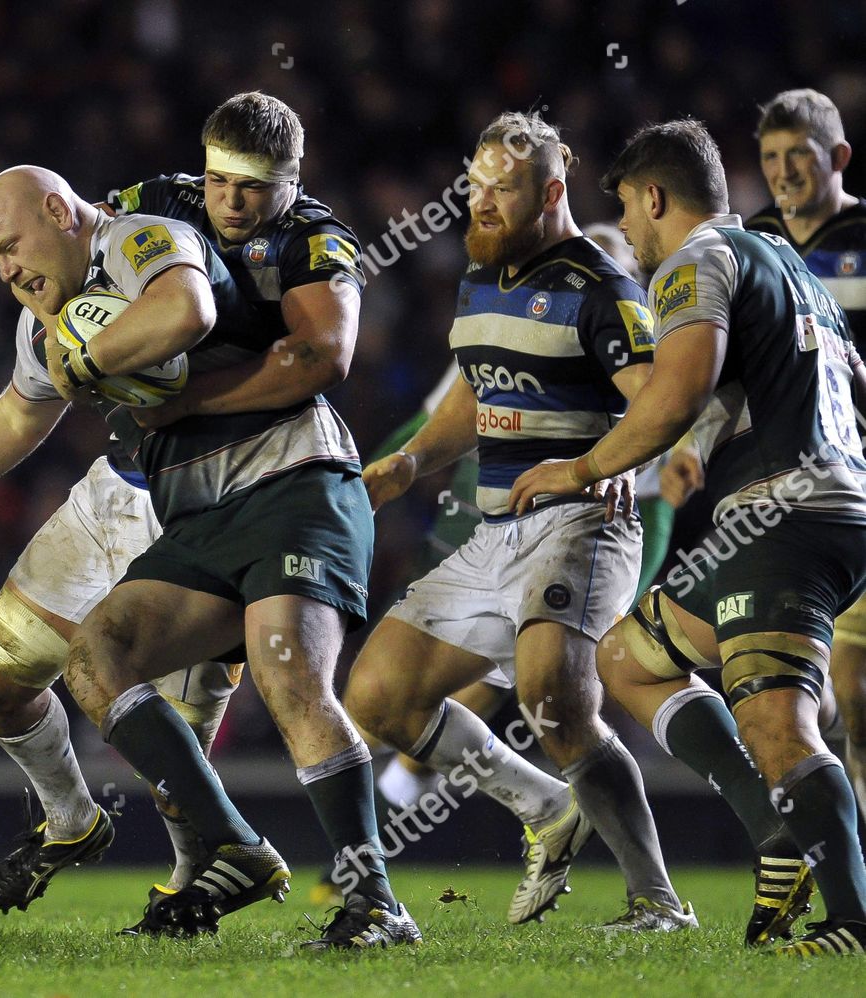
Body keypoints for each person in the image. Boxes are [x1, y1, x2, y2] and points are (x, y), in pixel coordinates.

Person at [0, 93, 367, 919]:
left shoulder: (252, 240)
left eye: (10, 248)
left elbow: (280, 341)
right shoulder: (136, 219)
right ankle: (71, 820)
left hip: (227, 488)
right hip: (119, 489)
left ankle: (206, 880)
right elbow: (23, 408)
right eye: (218, 181)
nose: (230, 202)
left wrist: (110, 370)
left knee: (178, 748)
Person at [0, 162, 415, 949]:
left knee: (287, 671)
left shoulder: (142, 242)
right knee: (96, 657)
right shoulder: (56, 311)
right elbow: (23, 412)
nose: (5, 270)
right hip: (197, 508)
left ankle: (373, 900)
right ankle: (234, 848)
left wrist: (93, 362)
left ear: (59, 213)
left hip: (293, 478)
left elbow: (187, 309)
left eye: (10, 246)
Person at [512, 117, 866, 955]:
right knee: (628, 658)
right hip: (825, 509)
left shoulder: (696, 260)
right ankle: (778, 835)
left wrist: (582, 467)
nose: (629, 232)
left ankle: (854, 920)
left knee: (779, 723)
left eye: (631, 210)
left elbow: (678, 387)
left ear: (657, 196)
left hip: (784, 517)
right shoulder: (791, 266)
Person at [345, 112, 697, 932]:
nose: (482, 204)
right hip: (496, 529)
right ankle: (544, 805)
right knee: (377, 694)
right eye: (474, 188)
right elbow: (475, 395)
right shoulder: (482, 279)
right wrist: (405, 464)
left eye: (501, 189)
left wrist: (608, 466)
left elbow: (659, 400)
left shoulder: (601, 286)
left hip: (581, 522)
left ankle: (657, 901)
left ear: (550, 190)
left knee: (555, 696)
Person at [665, 89, 866, 823]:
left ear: (837, 157)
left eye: (798, 157)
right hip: (800, 496)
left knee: (847, 688)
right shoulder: (757, 243)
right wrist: (690, 444)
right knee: (838, 690)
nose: (783, 172)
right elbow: (720, 370)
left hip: (841, 487)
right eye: (770, 158)